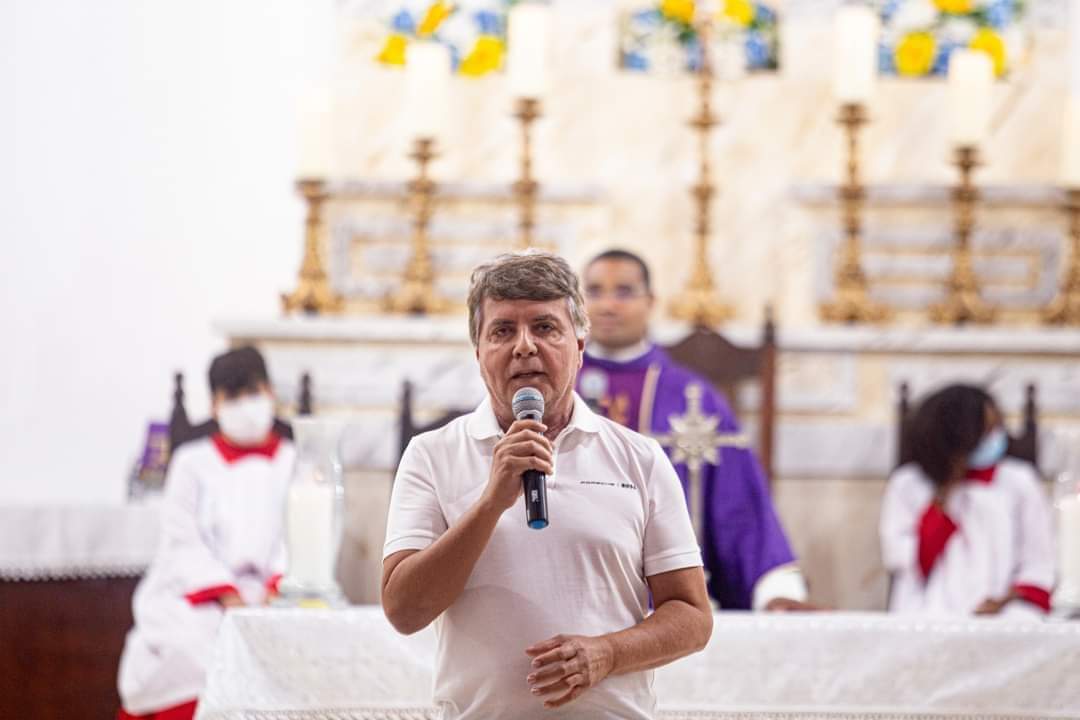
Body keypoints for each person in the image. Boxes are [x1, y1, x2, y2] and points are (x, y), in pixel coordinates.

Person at [382, 251, 712, 719]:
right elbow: (404, 610)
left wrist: (608, 652)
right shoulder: (432, 456)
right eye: (502, 331)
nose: (524, 347)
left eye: (544, 327)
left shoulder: (639, 458)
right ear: (478, 353)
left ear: (579, 345)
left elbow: (692, 616)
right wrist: (491, 503)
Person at [577, 249, 810, 611]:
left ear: (650, 302)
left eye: (624, 292)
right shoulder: (553, 389)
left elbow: (740, 503)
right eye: (594, 291)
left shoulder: (692, 397)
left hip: (667, 601)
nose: (607, 305)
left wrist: (775, 589)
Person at [117, 347, 296, 719]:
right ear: (214, 405)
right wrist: (225, 593)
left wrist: (275, 588)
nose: (245, 405)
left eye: (253, 392)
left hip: (273, 594)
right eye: (232, 397)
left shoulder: (293, 459)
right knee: (187, 646)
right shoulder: (191, 462)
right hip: (200, 593)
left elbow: (299, 535)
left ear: (270, 393)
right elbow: (181, 537)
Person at [881, 383, 1054, 618]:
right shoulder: (909, 484)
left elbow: (1038, 562)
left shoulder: (1018, 482)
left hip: (1005, 613)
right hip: (926, 612)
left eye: (997, 428)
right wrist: (945, 490)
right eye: (986, 431)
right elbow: (898, 555)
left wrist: (1006, 600)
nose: (995, 438)